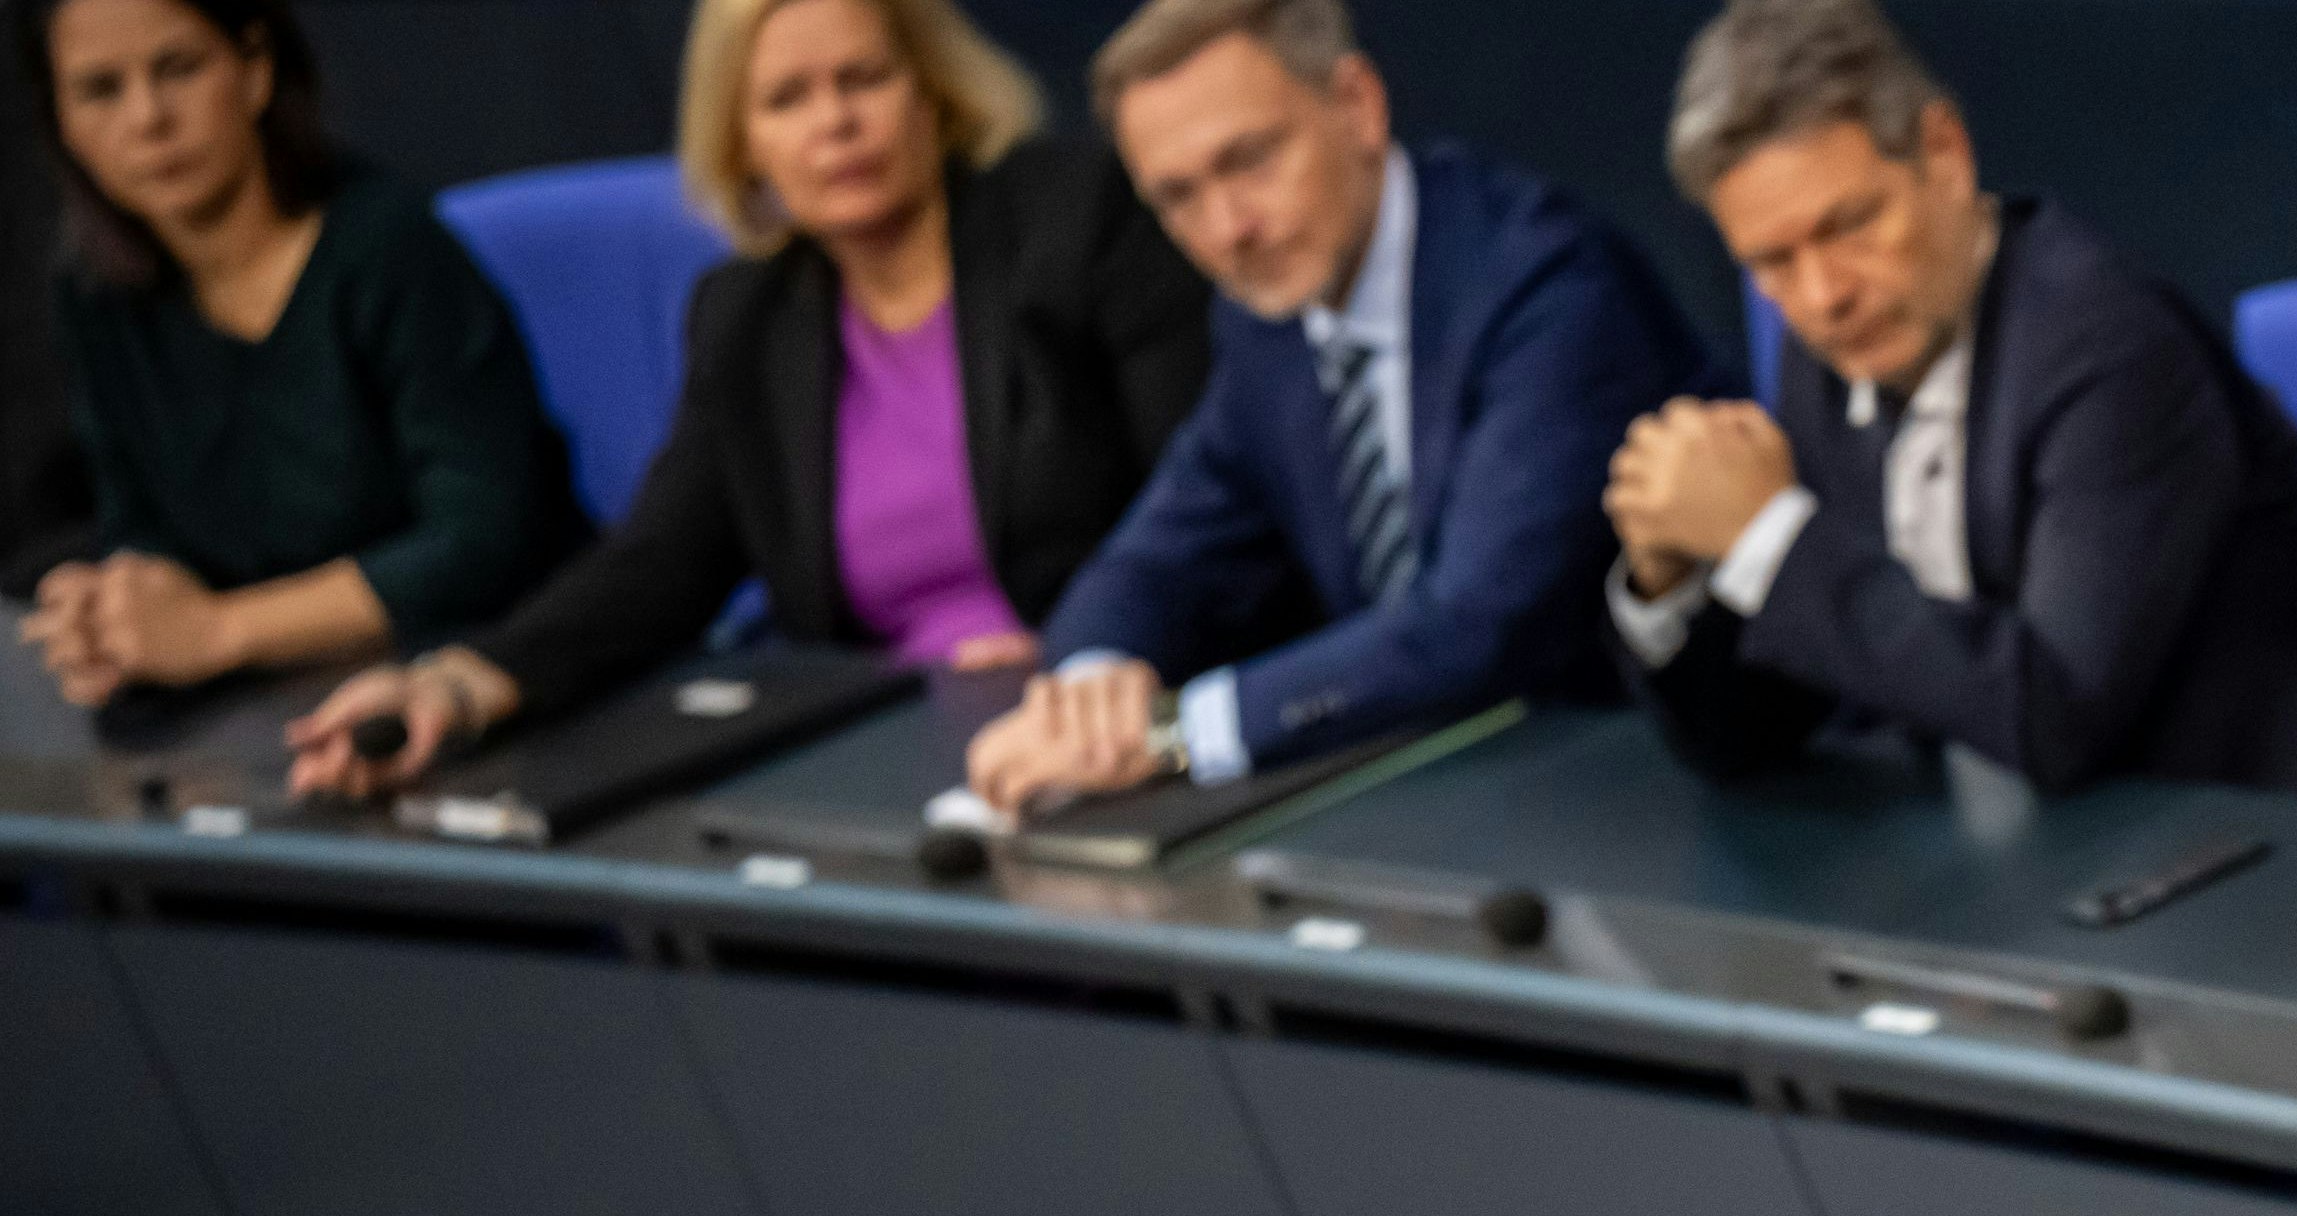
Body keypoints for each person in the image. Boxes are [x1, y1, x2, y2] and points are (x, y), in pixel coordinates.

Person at [1601, 0, 2297, 809]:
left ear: (1945, 154)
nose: (1822, 294)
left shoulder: (2109, 349)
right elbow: (1767, 731)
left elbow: (2053, 713)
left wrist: (1767, 537)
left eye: (1849, 225)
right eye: (1772, 262)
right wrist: (1678, 581)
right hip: (2098, 851)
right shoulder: (1832, 354)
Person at [285, 0, 1209, 795]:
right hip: (887, 747)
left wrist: (1084, 646)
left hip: (1100, 713)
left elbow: (1200, 497)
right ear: (744, 142)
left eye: (864, 79)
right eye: (787, 99)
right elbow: (659, 564)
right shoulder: (750, 319)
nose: (835, 122)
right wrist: (460, 682)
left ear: (933, 89)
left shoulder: (1076, 226)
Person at [960, 0, 1708, 816]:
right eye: (1176, 196)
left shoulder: (1544, 285)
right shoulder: (1269, 315)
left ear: (1356, 103)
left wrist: (1173, 736)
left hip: (1632, 789)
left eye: (1249, 160)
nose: (1227, 228)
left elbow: (1477, 623)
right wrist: (1090, 684)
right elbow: (1167, 548)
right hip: (1425, 790)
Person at [14, 0, 582, 706]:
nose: (147, 119)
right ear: (60, 119)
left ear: (255, 70)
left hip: (485, 668)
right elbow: (140, 520)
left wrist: (218, 630)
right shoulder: (92, 291)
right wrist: (120, 607)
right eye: (100, 89)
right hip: (271, 692)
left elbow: (482, 541)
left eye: (179, 69)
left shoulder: (386, 246)